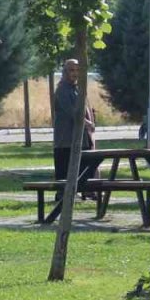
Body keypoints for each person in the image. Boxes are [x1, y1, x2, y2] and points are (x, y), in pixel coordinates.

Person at [52, 59, 97, 197]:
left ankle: (86, 190)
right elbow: (72, 112)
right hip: (65, 140)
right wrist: (88, 123)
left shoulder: (78, 89)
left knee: (86, 165)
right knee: (64, 171)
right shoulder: (62, 90)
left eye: (77, 70)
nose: (75, 73)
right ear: (65, 72)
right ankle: (62, 196)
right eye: (71, 70)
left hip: (80, 138)